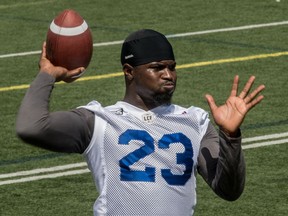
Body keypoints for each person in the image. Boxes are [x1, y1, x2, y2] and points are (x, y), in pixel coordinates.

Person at [16, 29, 265, 216]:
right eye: (157, 67)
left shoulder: (194, 121)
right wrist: (47, 75)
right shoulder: (99, 121)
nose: (168, 75)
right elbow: (31, 127)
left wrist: (230, 136)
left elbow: (229, 191)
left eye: (172, 67)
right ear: (129, 71)